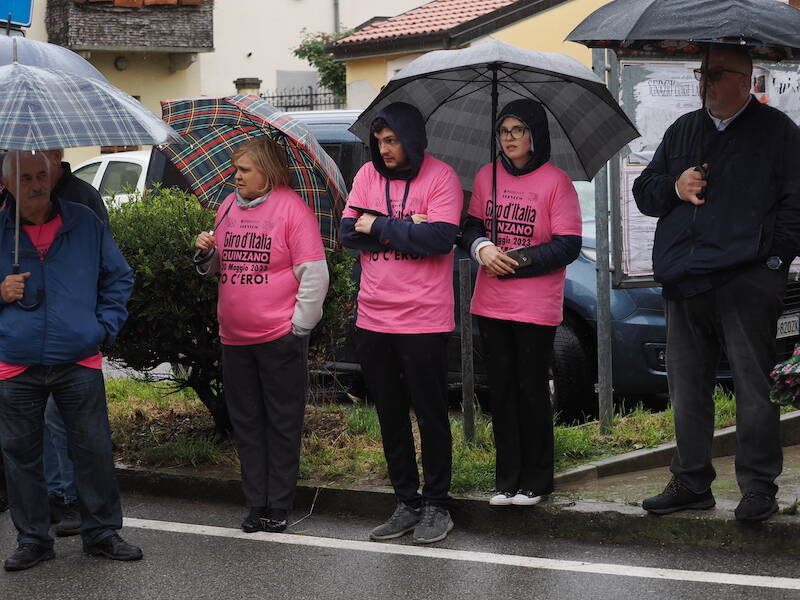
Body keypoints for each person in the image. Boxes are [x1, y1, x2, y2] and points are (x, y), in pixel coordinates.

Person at [633, 45, 800, 521]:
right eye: (700, 72)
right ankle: (690, 482)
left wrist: (771, 260)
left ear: (746, 79)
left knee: (752, 387)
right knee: (686, 388)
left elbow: (796, 204)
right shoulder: (684, 129)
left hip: (746, 279)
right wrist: (675, 186)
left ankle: (758, 487)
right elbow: (645, 192)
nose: (703, 81)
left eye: (714, 73)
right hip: (685, 277)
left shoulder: (778, 133)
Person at [0, 150, 139, 571]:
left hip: (78, 358)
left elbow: (119, 276)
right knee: (21, 455)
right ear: (6, 183)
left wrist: (102, 327)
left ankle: (101, 533)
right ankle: (33, 539)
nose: (35, 185)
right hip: (15, 362)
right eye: (24, 178)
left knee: (93, 449)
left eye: (41, 175)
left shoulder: (84, 221)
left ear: (54, 174)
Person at [340, 102, 462, 544]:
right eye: (379, 141)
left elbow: (440, 238)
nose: (384, 149)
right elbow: (347, 232)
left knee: (431, 415)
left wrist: (379, 224)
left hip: (425, 319)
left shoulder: (441, 177)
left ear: (411, 138)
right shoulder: (367, 177)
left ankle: (437, 505)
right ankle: (406, 503)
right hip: (374, 316)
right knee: (390, 414)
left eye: (392, 141)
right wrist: (405, 225)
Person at [195, 137, 329, 534]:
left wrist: (298, 329)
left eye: (244, 170)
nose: (235, 176)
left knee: (281, 423)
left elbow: (315, 276)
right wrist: (206, 252)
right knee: (247, 423)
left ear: (267, 172)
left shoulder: (293, 210)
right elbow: (217, 266)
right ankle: (255, 503)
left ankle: (279, 504)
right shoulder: (227, 208)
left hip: (278, 338)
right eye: (236, 169)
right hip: (234, 338)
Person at [460, 99, 582, 507]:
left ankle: (537, 480)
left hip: (534, 306)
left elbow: (567, 245)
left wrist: (516, 260)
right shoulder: (485, 176)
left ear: (535, 135)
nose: (509, 138)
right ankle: (506, 480)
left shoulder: (556, 182)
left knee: (532, 390)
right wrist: (481, 247)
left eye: (518, 130)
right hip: (490, 303)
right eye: (503, 131)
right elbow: (472, 225)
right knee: (501, 391)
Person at [40, 149, 109, 538]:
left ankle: (74, 500)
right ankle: (55, 494)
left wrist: (100, 323)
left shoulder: (82, 198)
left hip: (73, 327)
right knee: (40, 418)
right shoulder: (18, 198)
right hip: (33, 328)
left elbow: (103, 264)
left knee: (61, 417)